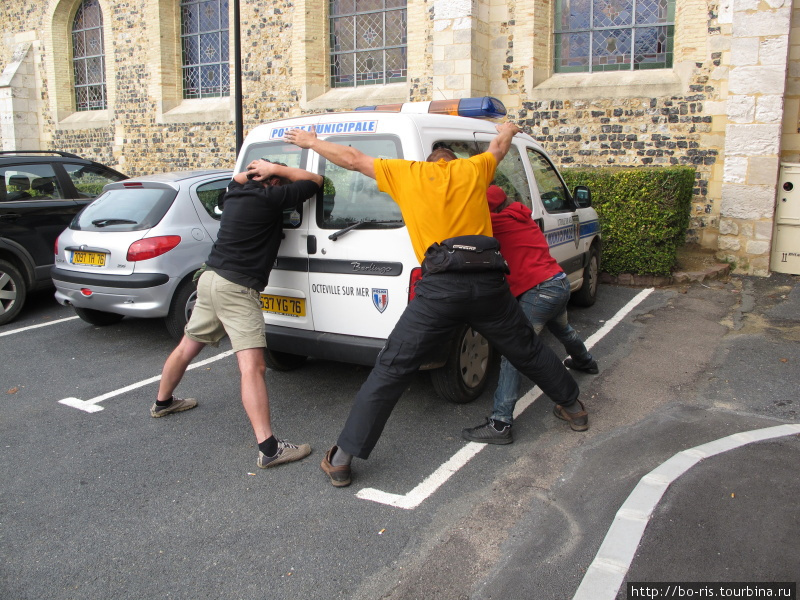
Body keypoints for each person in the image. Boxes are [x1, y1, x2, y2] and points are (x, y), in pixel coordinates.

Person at [285, 123, 587, 488]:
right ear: (452, 162)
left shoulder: (406, 173)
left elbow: (351, 159)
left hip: (439, 289)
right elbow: (499, 146)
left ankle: (343, 459)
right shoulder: (473, 170)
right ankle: (573, 408)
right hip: (489, 284)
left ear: (428, 162)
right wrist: (508, 127)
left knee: (392, 368)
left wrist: (311, 142)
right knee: (527, 349)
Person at [151, 159, 323, 469]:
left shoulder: (234, 193)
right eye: (279, 181)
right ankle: (270, 448)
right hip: (237, 288)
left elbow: (236, 178)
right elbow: (315, 180)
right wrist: (277, 170)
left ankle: (163, 402)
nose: (284, 186)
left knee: (188, 345)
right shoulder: (271, 199)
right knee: (253, 367)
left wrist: (258, 171)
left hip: (210, 279)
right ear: (272, 181)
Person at [462, 185, 597, 445]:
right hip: (557, 282)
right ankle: (585, 360)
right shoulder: (520, 216)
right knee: (562, 329)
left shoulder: (494, 224)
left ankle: (500, 423)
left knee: (515, 354)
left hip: (539, 292)